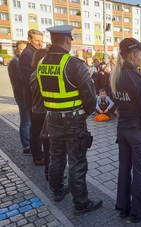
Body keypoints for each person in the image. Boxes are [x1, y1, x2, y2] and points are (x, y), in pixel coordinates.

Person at [36, 25, 102, 215]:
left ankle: (57, 191)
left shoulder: (41, 63)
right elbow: (90, 97)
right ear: (67, 40)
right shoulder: (74, 64)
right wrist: (85, 113)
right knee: (77, 162)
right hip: (74, 120)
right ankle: (81, 203)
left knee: (56, 157)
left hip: (52, 119)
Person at [110, 38, 141, 222]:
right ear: (132, 55)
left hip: (122, 128)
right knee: (140, 172)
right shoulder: (138, 79)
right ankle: (138, 211)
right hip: (138, 132)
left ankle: (122, 206)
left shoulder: (116, 75)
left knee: (124, 169)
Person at [19, 29, 44, 165]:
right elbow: (25, 78)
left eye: (41, 41)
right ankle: (38, 156)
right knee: (36, 128)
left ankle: (38, 154)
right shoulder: (27, 54)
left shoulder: (34, 52)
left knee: (37, 127)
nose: (40, 43)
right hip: (33, 98)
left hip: (36, 98)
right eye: (37, 41)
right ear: (30, 40)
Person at [29, 48, 50, 181]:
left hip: (36, 110)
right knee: (49, 144)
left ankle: (48, 169)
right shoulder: (42, 74)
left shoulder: (33, 74)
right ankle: (49, 171)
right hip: (44, 112)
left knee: (44, 141)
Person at [7, 40, 31, 155]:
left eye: (25, 49)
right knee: (26, 121)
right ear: (17, 49)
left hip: (25, 95)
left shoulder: (21, 61)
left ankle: (30, 143)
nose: (23, 52)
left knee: (29, 121)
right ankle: (26, 146)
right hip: (21, 95)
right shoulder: (15, 62)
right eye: (21, 49)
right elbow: (23, 79)